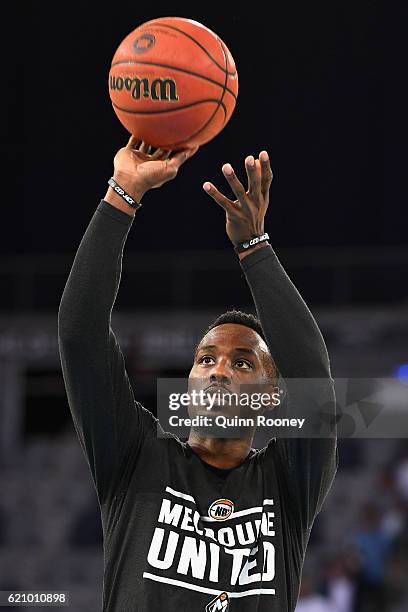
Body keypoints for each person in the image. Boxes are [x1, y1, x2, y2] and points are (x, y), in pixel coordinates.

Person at [58, 137, 338, 611]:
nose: (219, 372)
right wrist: (122, 191)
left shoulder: (287, 484)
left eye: (242, 362)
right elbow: (80, 332)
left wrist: (255, 248)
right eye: (206, 359)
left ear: (271, 396)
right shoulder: (135, 457)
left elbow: (313, 377)